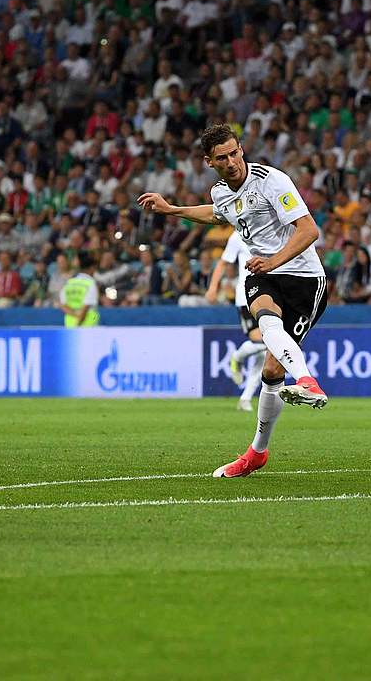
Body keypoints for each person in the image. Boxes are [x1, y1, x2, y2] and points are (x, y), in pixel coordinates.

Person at [139, 124, 328, 479]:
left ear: (242, 149)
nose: (232, 162)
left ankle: (258, 451)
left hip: (304, 279)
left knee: (272, 371)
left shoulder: (273, 181)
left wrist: (273, 260)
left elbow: (309, 230)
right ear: (209, 161)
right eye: (222, 158)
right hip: (263, 274)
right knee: (265, 321)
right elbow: (216, 212)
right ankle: (305, 382)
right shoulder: (221, 192)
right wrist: (173, 209)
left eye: (234, 153)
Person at [206, 231, 267, 411]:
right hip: (245, 297)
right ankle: (237, 357)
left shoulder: (270, 229)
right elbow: (224, 262)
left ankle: (245, 398)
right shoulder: (238, 235)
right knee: (263, 342)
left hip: (269, 296)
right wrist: (213, 287)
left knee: (264, 353)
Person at [60, 253, 100, 327]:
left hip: (69, 326)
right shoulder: (90, 284)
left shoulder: (69, 283)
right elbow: (85, 308)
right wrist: (77, 326)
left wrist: (74, 314)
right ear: (92, 268)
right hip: (87, 326)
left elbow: (63, 305)